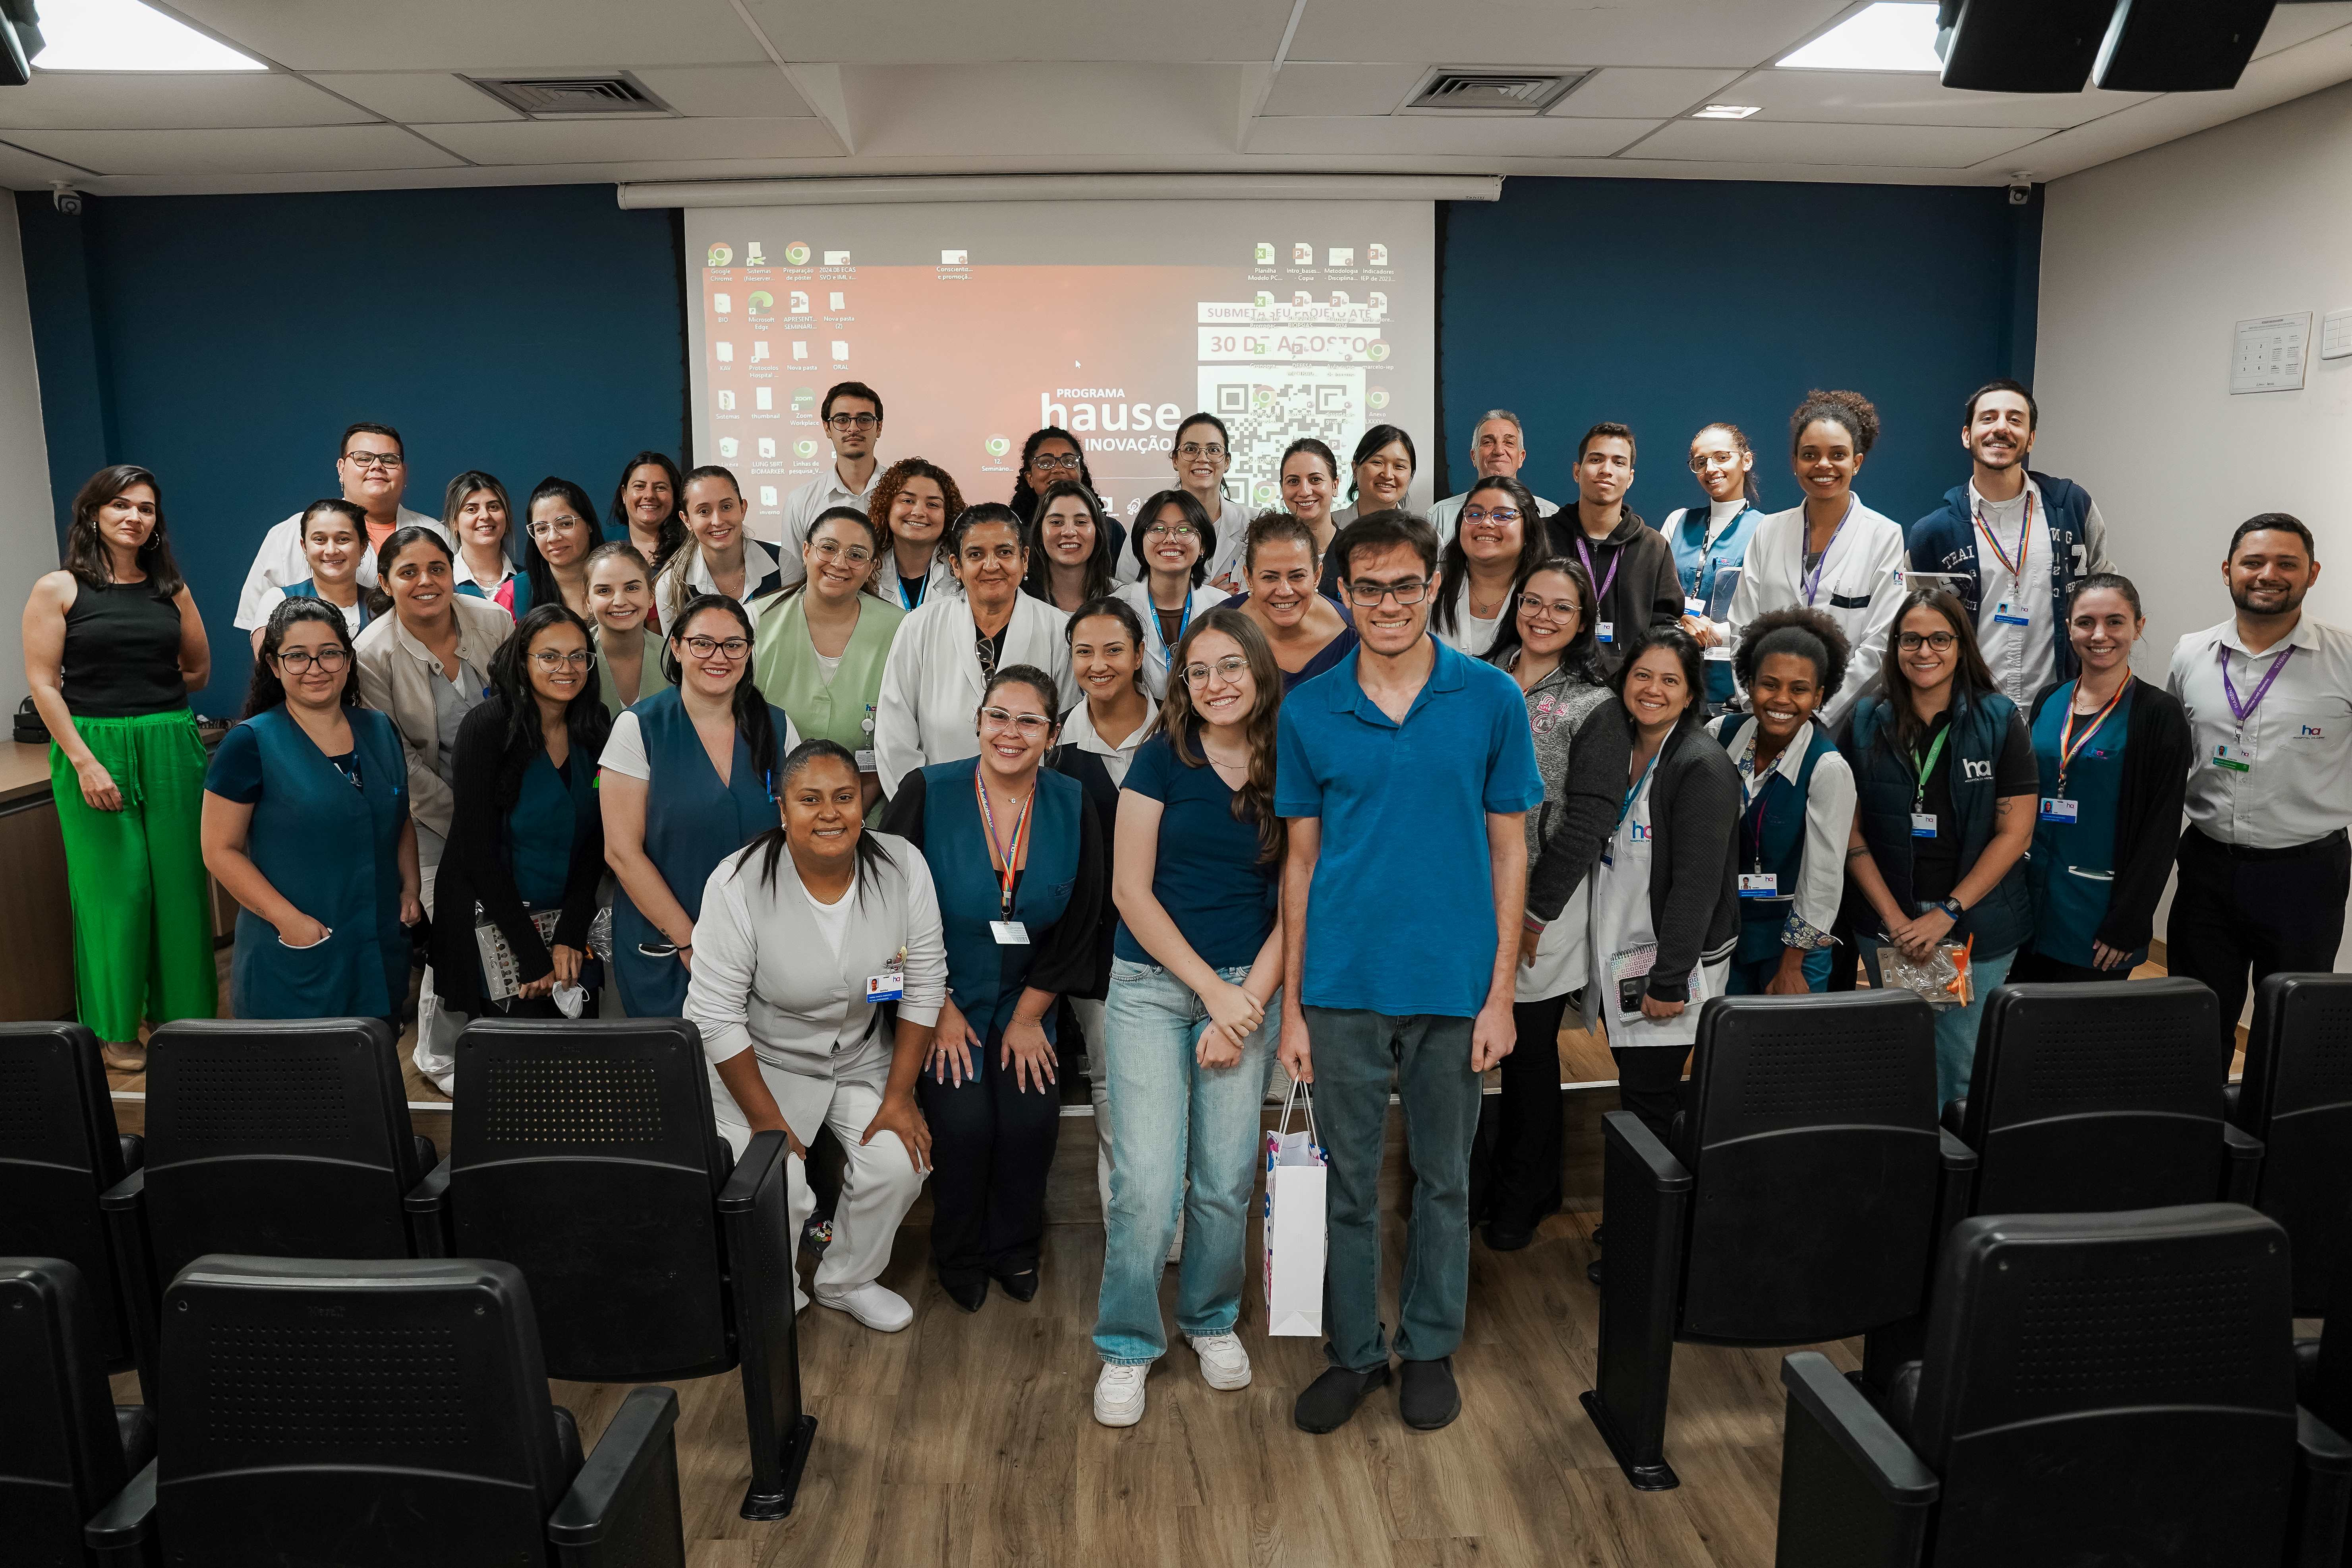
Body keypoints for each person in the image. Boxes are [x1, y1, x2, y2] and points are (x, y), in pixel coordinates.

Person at [1274, 510, 1544, 1435]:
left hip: (1453, 981)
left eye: (1401, 583)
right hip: (1341, 983)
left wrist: (1500, 992)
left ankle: (1426, 1343)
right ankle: (1353, 1349)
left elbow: (1509, 850)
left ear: (1433, 583)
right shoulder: (1307, 708)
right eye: (1365, 586)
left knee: (1443, 1177)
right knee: (1347, 1183)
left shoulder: (1489, 698)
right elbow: (1299, 863)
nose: (1384, 602)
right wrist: (1294, 1010)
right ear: (1340, 594)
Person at [1092, 609, 1286, 1427]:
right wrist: (1212, 992)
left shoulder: (1289, 762)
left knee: (1222, 1177)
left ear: (1258, 671)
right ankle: (1128, 1342)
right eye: (1198, 669)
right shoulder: (1158, 761)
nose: (1214, 683)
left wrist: (1243, 1005)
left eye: (1230, 665)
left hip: (1250, 988)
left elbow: (1298, 899)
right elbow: (1128, 891)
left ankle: (1209, 1319)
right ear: (1181, 681)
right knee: (1142, 1180)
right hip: (1149, 985)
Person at [687, 739, 945, 1332]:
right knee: (779, 1185)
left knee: (902, 1160)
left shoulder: (903, 865)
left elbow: (925, 982)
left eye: (845, 797)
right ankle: (772, 1292)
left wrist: (900, 1096)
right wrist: (768, 1120)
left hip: (857, 1055)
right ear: (783, 811)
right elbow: (716, 1016)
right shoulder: (737, 882)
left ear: (863, 803)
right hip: (757, 1062)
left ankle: (846, 1277)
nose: (830, 812)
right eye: (810, 799)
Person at [880, 665, 1105, 1311]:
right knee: (965, 1122)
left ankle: (1014, 1248)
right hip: (939, 994)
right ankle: (960, 1252)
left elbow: (1085, 912)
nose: (1011, 732)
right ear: (978, 722)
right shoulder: (928, 790)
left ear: (1052, 731)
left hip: (1027, 997)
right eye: (998, 716)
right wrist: (935, 1009)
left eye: (1028, 719)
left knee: (1032, 1119)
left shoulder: (1071, 800)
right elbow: (885, 908)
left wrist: (1033, 1013)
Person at [22, 464, 217, 1067]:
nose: (135, 516)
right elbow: (42, 683)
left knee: (181, 888)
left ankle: (181, 1019)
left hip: (169, 741)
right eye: (122, 505)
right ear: (94, 514)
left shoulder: (171, 589)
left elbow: (199, 671)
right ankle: (114, 1027)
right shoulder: (58, 588)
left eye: (147, 508)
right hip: (92, 748)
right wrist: (85, 760)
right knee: (119, 891)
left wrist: (150, 696)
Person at [1843, 590, 2037, 1108]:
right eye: (1911, 638)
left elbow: (2015, 833)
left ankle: (1948, 1178)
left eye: (1939, 638)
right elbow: (1849, 830)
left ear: (1960, 645)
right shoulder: (1864, 719)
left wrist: (1946, 914)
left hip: (1976, 922)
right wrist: (1895, 919)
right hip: (1889, 919)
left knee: (1956, 1065)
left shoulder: (1998, 718)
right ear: (1895, 645)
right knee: (1897, 1052)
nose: (1924, 650)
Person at [2166, 515, 2351, 1048]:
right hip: (2207, 868)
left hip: (2305, 874)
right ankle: (2196, 1127)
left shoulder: (2344, 657)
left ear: (2312, 573)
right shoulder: (2190, 653)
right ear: (2228, 570)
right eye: (2253, 562)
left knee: (2291, 1023)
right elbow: (2177, 751)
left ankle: (2272, 1132)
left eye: (2286, 563)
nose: (2267, 574)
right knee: (2194, 1015)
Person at [1480, 558, 1619, 1251]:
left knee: (1528, 1055)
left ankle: (1527, 1196)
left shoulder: (1596, 703)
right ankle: (1480, 1185)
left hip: (1543, 904)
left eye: (1561, 608)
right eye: (1532, 602)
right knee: (1472, 1049)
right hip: (1468, 891)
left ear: (1582, 620)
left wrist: (1533, 913)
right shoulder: (1480, 673)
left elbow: (1590, 818)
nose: (1542, 616)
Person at [202, 598, 419, 1025]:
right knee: (298, 1082)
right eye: (297, 656)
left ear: (348, 658)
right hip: (298, 950)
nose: (315, 667)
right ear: (274, 664)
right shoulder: (249, 743)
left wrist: (410, 887)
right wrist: (290, 921)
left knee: (370, 1074)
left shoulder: (379, 729)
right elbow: (219, 850)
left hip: (375, 947)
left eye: (329, 652)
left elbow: (398, 816)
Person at [353, 526, 515, 1077]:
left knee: (517, 909)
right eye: (408, 571)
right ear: (384, 581)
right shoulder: (370, 653)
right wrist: (469, 823)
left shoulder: (492, 621)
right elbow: (396, 755)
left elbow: (524, 712)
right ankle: (440, 1052)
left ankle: (515, 1036)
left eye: (437, 568)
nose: (426, 581)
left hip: (508, 803)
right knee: (452, 920)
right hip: (428, 813)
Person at [425, 606, 611, 1074]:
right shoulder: (487, 727)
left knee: (577, 1067)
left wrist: (569, 933)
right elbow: (477, 851)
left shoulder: (594, 724)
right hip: (491, 918)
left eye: (577, 656)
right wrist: (531, 955)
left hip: (565, 916)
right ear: (521, 660)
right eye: (549, 656)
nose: (565, 669)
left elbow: (597, 840)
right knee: (512, 1074)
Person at [599, 594, 799, 1019]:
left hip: (760, 946)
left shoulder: (778, 726)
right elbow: (621, 852)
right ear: (676, 646)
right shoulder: (640, 728)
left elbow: (797, 835)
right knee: (676, 1074)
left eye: (733, 645)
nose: (719, 657)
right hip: (669, 945)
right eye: (702, 643)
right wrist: (692, 942)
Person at [1578, 627, 1740, 1145]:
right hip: (1623, 954)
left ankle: (1649, 1224)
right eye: (1643, 674)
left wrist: (1669, 980)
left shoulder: (1700, 764)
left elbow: (1697, 884)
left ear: (1691, 693)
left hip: (1668, 968)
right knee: (1641, 1093)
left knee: (1649, 1101)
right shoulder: (1619, 747)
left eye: (1670, 680)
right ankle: (1651, 1219)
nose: (1653, 689)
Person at [2012, 574, 2190, 983]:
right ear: (2068, 626)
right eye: (2085, 622)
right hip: (2029, 901)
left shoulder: (2157, 714)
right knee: (2018, 1028)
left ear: (2138, 627)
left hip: (2097, 913)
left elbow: (2160, 830)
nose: (2099, 635)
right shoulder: (2049, 698)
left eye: (2114, 621)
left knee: (2079, 1038)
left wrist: (2129, 920)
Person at [1907, 380, 2114, 711]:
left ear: (2030, 439)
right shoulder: (1933, 532)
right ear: (1966, 435)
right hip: (1970, 709)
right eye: (1988, 418)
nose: (2001, 428)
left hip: (2061, 706)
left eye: (2015, 419)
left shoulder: (2073, 508)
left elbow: (2108, 595)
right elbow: (1911, 626)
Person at [1050, 597, 1154, 1220]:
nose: (1099, 663)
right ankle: (1133, 1230)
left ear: (1140, 654)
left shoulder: (1183, 731)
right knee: (1115, 1086)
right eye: (1084, 651)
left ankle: (1177, 1221)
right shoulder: (1053, 745)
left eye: (1114, 649)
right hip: (1094, 949)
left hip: (1180, 944)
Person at [1726, 390, 1910, 731]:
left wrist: (1818, 710)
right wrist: (1759, 705)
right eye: (1810, 455)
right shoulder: (1769, 530)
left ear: (1856, 462)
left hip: (1842, 721)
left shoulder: (1883, 536)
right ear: (1795, 462)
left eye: (1837, 455)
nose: (1823, 465)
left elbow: (1880, 643)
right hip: (1766, 716)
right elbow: (1741, 629)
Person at [872, 504, 1076, 799]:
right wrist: (921, 807)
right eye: (976, 554)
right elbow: (895, 735)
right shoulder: (919, 627)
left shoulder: (1059, 631)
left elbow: (1064, 734)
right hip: (937, 807)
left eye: (1005, 552)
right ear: (956, 565)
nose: (991, 565)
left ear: (1025, 559)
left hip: (1032, 808)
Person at [1708, 608, 1856, 995]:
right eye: (1768, 684)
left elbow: (1822, 876)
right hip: (1721, 931)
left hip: (1791, 945)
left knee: (1781, 1053)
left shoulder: (1826, 768)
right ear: (1749, 683)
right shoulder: (1718, 735)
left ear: (1818, 695)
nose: (1781, 700)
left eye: (1798, 689)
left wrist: (1792, 964)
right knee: (1721, 1045)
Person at [750, 505, 905, 801]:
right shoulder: (756, 622)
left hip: (868, 806)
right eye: (828, 548)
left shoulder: (900, 630)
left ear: (872, 567)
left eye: (856, 555)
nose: (840, 562)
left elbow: (903, 738)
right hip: (770, 802)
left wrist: (852, 813)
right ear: (806, 551)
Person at [233, 421, 445, 636]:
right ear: (341, 469)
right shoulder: (288, 534)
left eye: (389, 460)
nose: (377, 466)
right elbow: (262, 632)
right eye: (363, 458)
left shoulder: (437, 534)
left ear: (404, 473)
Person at [1544, 422, 1679, 675]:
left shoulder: (1653, 546)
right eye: (1596, 459)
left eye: (1619, 463)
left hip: (1627, 687)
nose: (1606, 470)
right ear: (1577, 471)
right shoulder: (1543, 537)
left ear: (1630, 477)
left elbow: (1664, 626)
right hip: (1552, 680)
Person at [1656, 423, 1766, 712]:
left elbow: (1770, 611)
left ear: (1746, 460)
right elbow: (1654, 593)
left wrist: (1718, 633)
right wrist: (1680, 620)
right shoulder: (1677, 521)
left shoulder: (1767, 529)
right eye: (1700, 462)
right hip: (1672, 669)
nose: (1710, 469)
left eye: (1721, 457)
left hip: (1733, 680)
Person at [1224, 512, 1357, 692]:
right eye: (1270, 578)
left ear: (1317, 576)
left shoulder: (1354, 636)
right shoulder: (1217, 627)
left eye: (1297, 576)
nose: (1285, 591)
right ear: (1248, 578)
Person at [1115, 489, 1227, 700]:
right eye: (1158, 529)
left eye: (1185, 529)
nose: (1170, 539)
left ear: (1202, 545)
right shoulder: (1115, 609)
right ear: (1141, 542)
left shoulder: (1223, 607)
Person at [652, 466, 784, 632]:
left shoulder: (783, 565)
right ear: (686, 520)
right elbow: (676, 655)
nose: (718, 521)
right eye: (704, 511)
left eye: (726, 507)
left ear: (743, 509)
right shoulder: (670, 584)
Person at [777, 381, 885, 584]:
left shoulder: (904, 495)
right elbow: (794, 578)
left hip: (897, 613)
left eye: (864, 419)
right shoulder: (801, 501)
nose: (853, 428)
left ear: (878, 427)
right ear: (828, 428)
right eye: (842, 420)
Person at [1429, 476, 1546, 657]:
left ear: (1528, 527)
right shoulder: (1430, 584)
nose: (1486, 523)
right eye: (1475, 514)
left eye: (1503, 516)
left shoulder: (1548, 593)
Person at [247, 497, 373, 652]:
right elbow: (268, 671)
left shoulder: (383, 606)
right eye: (320, 540)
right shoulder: (278, 601)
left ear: (363, 546)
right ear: (304, 546)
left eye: (343, 539)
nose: (331, 550)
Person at [1427, 410, 1558, 547]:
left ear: (1521, 458)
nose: (1499, 451)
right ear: (1474, 457)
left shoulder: (1550, 514)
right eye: (1488, 442)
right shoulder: (1440, 516)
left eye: (1509, 443)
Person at [583, 541, 671, 715]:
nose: (620, 601)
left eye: (632, 588)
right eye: (604, 591)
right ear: (588, 602)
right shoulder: (576, 661)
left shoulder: (675, 658)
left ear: (651, 597)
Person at [869, 456, 963, 613]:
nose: (919, 512)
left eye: (932, 504)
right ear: (887, 507)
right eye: (907, 501)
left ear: (948, 514)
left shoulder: (964, 571)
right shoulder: (866, 569)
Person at [1167, 413, 1252, 586]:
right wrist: (1203, 598)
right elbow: (1129, 594)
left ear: (1227, 462)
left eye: (1213, 450)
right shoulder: (1151, 524)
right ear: (1175, 460)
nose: (1202, 459)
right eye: (1191, 449)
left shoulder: (1254, 523)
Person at [1023, 478, 1121, 614]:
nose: (1069, 532)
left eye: (1081, 522)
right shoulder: (1018, 600)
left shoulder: (1122, 597)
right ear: (1040, 533)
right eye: (1057, 522)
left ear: (1097, 533)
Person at [520, 477, 599, 623]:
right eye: (542, 529)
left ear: (589, 524)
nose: (553, 538)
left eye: (565, 524)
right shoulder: (516, 593)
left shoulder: (623, 579)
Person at [445, 471, 523, 614]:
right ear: (454, 522)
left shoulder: (528, 582)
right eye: (471, 509)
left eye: (493, 507)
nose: (485, 516)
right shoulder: (442, 583)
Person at [606, 449, 690, 578]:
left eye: (660, 488)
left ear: (675, 494)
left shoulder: (691, 545)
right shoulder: (603, 543)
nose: (649, 495)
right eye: (640, 486)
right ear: (624, 494)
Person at [1278, 438, 1342, 576]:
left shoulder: (1358, 552)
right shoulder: (1266, 552)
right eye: (1294, 481)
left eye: (1316, 480)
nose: (1304, 492)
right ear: (1282, 488)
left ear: (1335, 486)